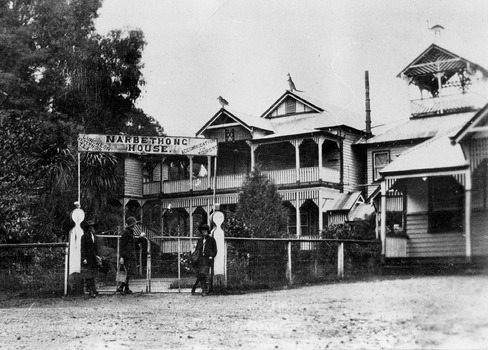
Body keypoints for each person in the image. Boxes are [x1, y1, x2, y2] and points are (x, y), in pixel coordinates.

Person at [117, 216, 145, 295]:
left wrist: (140, 238)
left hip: (131, 254)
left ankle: (126, 287)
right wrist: (121, 256)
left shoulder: (130, 232)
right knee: (127, 272)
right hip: (127, 255)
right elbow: (122, 245)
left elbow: (134, 243)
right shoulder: (126, 233)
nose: (135, 225)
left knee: (129, 271)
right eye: (134, 224)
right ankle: (121, 287)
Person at [191, 223, 217, 296]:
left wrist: (211, 256)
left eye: (205, 230)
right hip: (200, 260)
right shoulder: (200, 240)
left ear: (208, 231)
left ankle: (202, 290)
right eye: (203, 230)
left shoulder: (211, 240)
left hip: (207, 260)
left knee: (202, 274)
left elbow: (215, 250)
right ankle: (199, 289)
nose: (204, 232)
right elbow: (197, 250)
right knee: (201, 275)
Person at [81, 220, 101, 298]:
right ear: (88, 228)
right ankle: (90, 291)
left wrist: (97, 256)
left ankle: (94, 289)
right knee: (88, 275)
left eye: (93, 227)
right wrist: (84, 258)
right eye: (91, 227)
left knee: (93, 274)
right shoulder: (84, 236)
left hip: (93, 257)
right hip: (87, 258)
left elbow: (95, 248)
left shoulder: (94, 236)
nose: (92, 228)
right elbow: (82, 248)